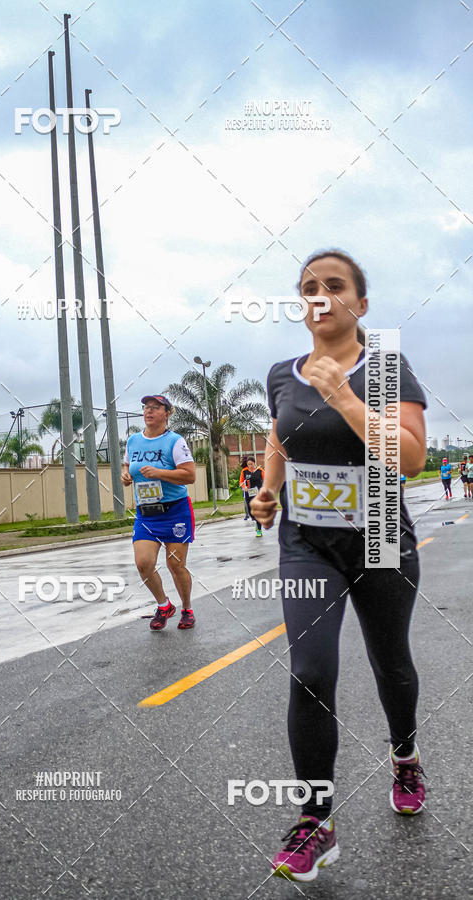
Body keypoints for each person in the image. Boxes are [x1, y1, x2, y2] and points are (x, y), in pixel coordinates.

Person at [250, 250, 428, 883]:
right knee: (310, 670)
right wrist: (268, 490)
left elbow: (409, 459)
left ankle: (404, 753)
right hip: (307, 542)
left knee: (391, 663)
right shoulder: (281, 372)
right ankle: (315, 822)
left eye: (334, 285)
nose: (320, 294)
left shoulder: (386, 367)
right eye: (308, 288)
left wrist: (345, 396)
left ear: (361, 304)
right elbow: (279, 433)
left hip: (380, 535)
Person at [121, 394, 197, 631]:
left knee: (175, 565)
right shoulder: (133, 441)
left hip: (175, 511)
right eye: (145, 407)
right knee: (143, 563)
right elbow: (127, 466)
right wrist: (125, 476)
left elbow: (189, 475)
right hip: (146, 513)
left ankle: (186, 608)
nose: (149, 411)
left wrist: (159, 473)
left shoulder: (174, 441)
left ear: (167, 413)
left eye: (155, 407)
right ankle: (164, 605)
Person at [244, 457, 264, 537]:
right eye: (248, 464)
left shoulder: (260, 471)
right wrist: (244, 487)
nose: (250, 466)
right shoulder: (244, 471)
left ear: (254, 463)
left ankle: (259, 530)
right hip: (248, 494)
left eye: (251, 464)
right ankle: (256, 522)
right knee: (250, 512)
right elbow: (241, 482)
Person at [239, 456, 251, 520]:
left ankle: (247, 514)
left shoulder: (244, 470)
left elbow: (241, 482)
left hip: (247, 488)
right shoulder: (245, 470)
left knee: (246, 501)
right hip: (249, 488)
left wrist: (242, 486)